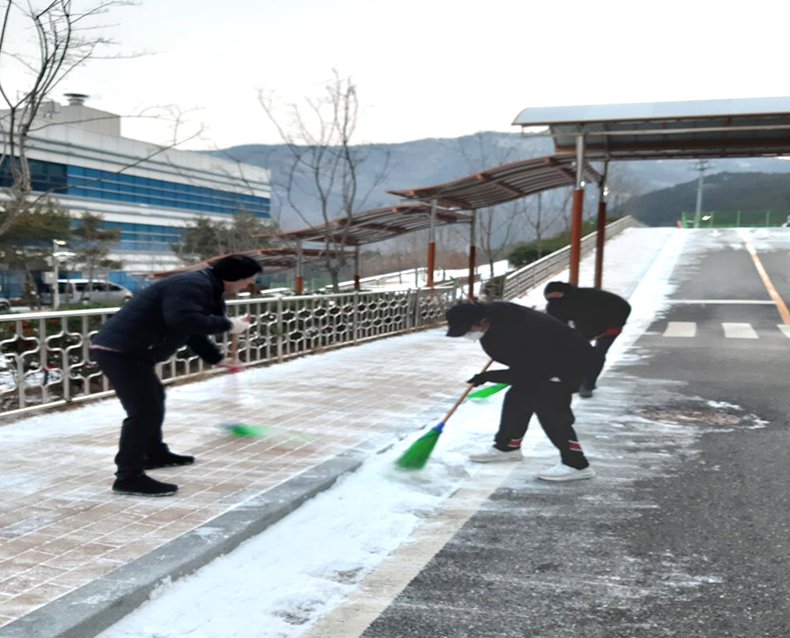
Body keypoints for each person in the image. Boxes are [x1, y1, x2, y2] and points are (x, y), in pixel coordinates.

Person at [91, 255, 262, 497]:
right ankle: (128, 477)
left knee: (154, 400)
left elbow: (190, 329)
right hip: (120, 351)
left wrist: (218, 358)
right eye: (249, 280)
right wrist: (227, 325)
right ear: (234, 277)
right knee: (143, 411)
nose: (248, 285)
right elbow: (182, 319)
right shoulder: (192, 285)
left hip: (132, 351)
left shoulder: (206, 287)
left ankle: (154, 453)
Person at [446, 301, 597, 482]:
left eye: (468, 329)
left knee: (550, 408)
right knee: (518, 398)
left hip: (570, 364)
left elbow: (532, 371)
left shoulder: (521, 330)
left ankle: (577, 464)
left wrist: (490, 376)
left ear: (483, 321)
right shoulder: (497, 322)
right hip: (545, 361)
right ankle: (508, 447)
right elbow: (524, 365)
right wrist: (491, 375)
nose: (468, 335)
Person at [543, 281, 631, 398]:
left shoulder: (590, 296)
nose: (554, 298)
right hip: (584, 329)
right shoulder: (554, 306)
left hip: (609, 327)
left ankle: (588, 385)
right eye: (550, 297)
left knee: (598, 354)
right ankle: (574, 382)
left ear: (565, 292)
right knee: (575, 354)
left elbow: (623, 307)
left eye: (557, 295)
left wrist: (616, 324)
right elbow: (558, 326)